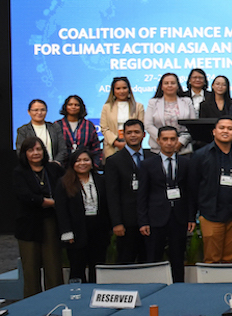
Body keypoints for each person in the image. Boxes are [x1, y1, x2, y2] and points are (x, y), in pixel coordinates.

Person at [137, 127, 196, 282]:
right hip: (156, 218)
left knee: (178, 257)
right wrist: (143, 221)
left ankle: (179, 288)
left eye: (172, 139)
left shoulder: (186, 163)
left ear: (177, 141)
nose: (169, 143)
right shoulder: (147, 164)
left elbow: (190, 192)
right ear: (158, 141)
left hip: (179, 217)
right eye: (165, 139)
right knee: (154, 257)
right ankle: (153, 288)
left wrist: (191, 217)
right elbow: (142, 195)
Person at [193, 117, 232, 263]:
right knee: (212, 259)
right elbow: (193, 186)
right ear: (214, 131)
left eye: (230, 129)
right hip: (211, 214)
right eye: (222, 128)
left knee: (231, 259)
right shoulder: (201, 155)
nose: (225, 131)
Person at [13, 137, 64, 296]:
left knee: (54, 266)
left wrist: (54, 203)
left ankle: (55, 301)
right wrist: (51, 202)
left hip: (51, 222)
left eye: (38, 149)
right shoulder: (19, 172)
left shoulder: (53, 169)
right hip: (28, 225)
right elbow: (26, 197)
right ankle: (33, 307)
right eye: (31, 150)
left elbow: (65, 188)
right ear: (24, 153)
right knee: (30, 269)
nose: (35, 153)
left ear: (44, 151)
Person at [101, 119, 153, 264]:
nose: (133, 135)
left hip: (151, 220)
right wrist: (117, 222)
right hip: (126, 222)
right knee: (126, 261)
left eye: (137, 132)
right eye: (129, 133)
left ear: (144, 135)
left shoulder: (153, 157)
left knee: (149, 262)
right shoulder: (114, 161)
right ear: (123, 135)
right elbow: (112, 195)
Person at [53, 149, 109, 283]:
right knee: (77, 268)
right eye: (78, 160)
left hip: (98, 230)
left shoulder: (100, 180)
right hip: (76, 232)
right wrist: (67, 232)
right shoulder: (64, 183)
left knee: (97, 268)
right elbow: (61, 210)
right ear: (72, 163)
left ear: (91, 162)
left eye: (86, 160)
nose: (82, 163)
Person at [145, 73, 195, 154]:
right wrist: (163, 140)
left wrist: (181, 142)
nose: (170, 85)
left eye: (173, 83)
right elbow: (148, 125)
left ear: (178, 86)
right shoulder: (153, 103)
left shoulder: (187, 101)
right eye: (166, 83)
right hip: (158, 149)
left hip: (183, 149)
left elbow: (193, 125)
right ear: (161, 86)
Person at [101, 77, 146, 160]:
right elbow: (104, 128)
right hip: (112, 147)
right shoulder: (106, 107)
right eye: (118, 88)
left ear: (129, 89)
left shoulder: (138, 107)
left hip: (133, 146)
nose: (121, 91)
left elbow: (141, 127)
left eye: (124, 88)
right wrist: (116, 143)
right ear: (113, 91)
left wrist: (128, 143)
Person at [17, 99, 68, 165]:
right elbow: (20, 152)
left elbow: (62, 149)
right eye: (36, 110)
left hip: (54, 167)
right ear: (29, 112)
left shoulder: (55, 127)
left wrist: (55, 163)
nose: (39, 113)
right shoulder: (23, 130)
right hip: (32, 168)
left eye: (42, 110)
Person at [57, 95, 102, 167]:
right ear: (65, 107)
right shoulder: (57, 125)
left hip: (84, 166)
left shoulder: (89, 125)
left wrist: (95, 164)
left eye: (76, 105)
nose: (73, 107)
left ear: (81, 107)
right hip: (63, 167)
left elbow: (95, 147)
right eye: (70, 105)